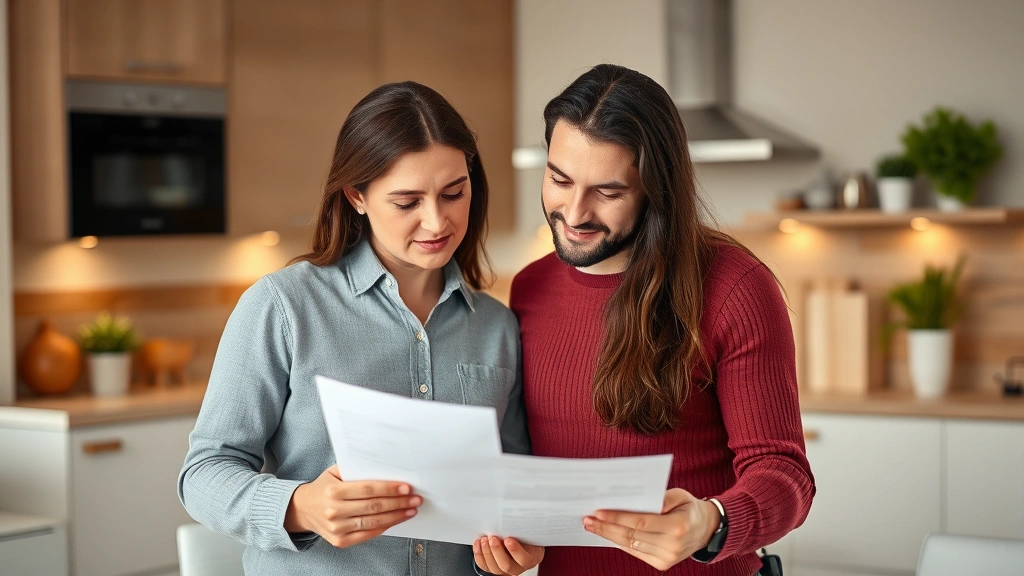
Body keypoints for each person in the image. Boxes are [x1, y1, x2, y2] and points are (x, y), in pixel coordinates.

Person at [179, 81, 542, 576]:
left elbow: (506, 491)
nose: (437, 221)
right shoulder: (283, 306)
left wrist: (503, 555)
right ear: (356, 195)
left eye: (453, 193)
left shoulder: (497, 327)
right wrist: (302, 506)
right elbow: (203, 473)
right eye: (407, 202)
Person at [509, 64, 815, 575]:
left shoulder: (734, 288)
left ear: (655, 189)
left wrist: (712, 522)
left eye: (607, 192)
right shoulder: (528, 288)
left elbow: (784, 475)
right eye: (559, 179)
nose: (575, 212)